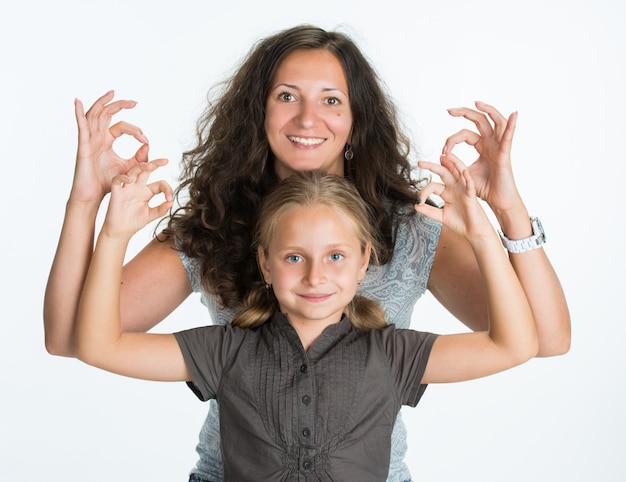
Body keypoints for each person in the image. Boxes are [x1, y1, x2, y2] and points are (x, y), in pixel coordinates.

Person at [44, 25, 570, 482]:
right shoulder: (213, 225)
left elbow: (540, 339)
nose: (308, 118)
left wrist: (507, 212)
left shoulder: (412, 228)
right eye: (288, 96)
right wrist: (86, 203)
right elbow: (74, 338)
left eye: (332, 100)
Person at [75, 168, 538, 482]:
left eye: (335, 256)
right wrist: (114, 234)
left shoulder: (393, 353)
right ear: (266, 263)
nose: (315, 276)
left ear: (364, 263)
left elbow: (514, 346)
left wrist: (482, 237)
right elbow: (98, 345)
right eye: (294, 257)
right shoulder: (226, 350)